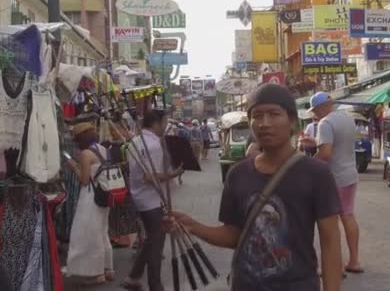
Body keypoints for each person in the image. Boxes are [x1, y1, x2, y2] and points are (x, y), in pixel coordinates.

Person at [170, 84, 343, 291]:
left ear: (292, 122)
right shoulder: (238, 174)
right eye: (257, 116)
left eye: (274, 114)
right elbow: (234, 235)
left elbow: (331, 241)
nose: (264, 123)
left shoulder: (317, 173)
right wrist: (192, 226)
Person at [121, 110, 184, 291]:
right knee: (156, 245)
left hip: (141, 198)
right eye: (164, 122)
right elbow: (149, 177)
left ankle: (133, 277)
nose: (165, 126)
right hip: (152, 201)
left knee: (151, 240)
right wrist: (175, 173)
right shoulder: (154, 145)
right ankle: (155, 285)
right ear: (157, 123)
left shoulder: (136, 141)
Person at [310, 92, 363, 274]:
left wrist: (308, 164)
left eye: (314, 110)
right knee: (348, 216)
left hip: (334, 178)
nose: (314, 114)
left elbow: (325, 153)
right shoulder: (347, 118)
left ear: (320, 108)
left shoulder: (325, 123)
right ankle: (354, 261)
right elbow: (338, 144)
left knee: (330, 222)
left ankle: (336, 266)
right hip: (350, 174)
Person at [65, 122, 114, 286]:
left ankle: (97, 273)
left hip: (90, 198)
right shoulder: (104, 150)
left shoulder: (86, 154)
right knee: (102, 231)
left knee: (88, 235)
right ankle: (108, 269)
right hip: (104, 195)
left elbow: (84, 180)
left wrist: (74, 167)